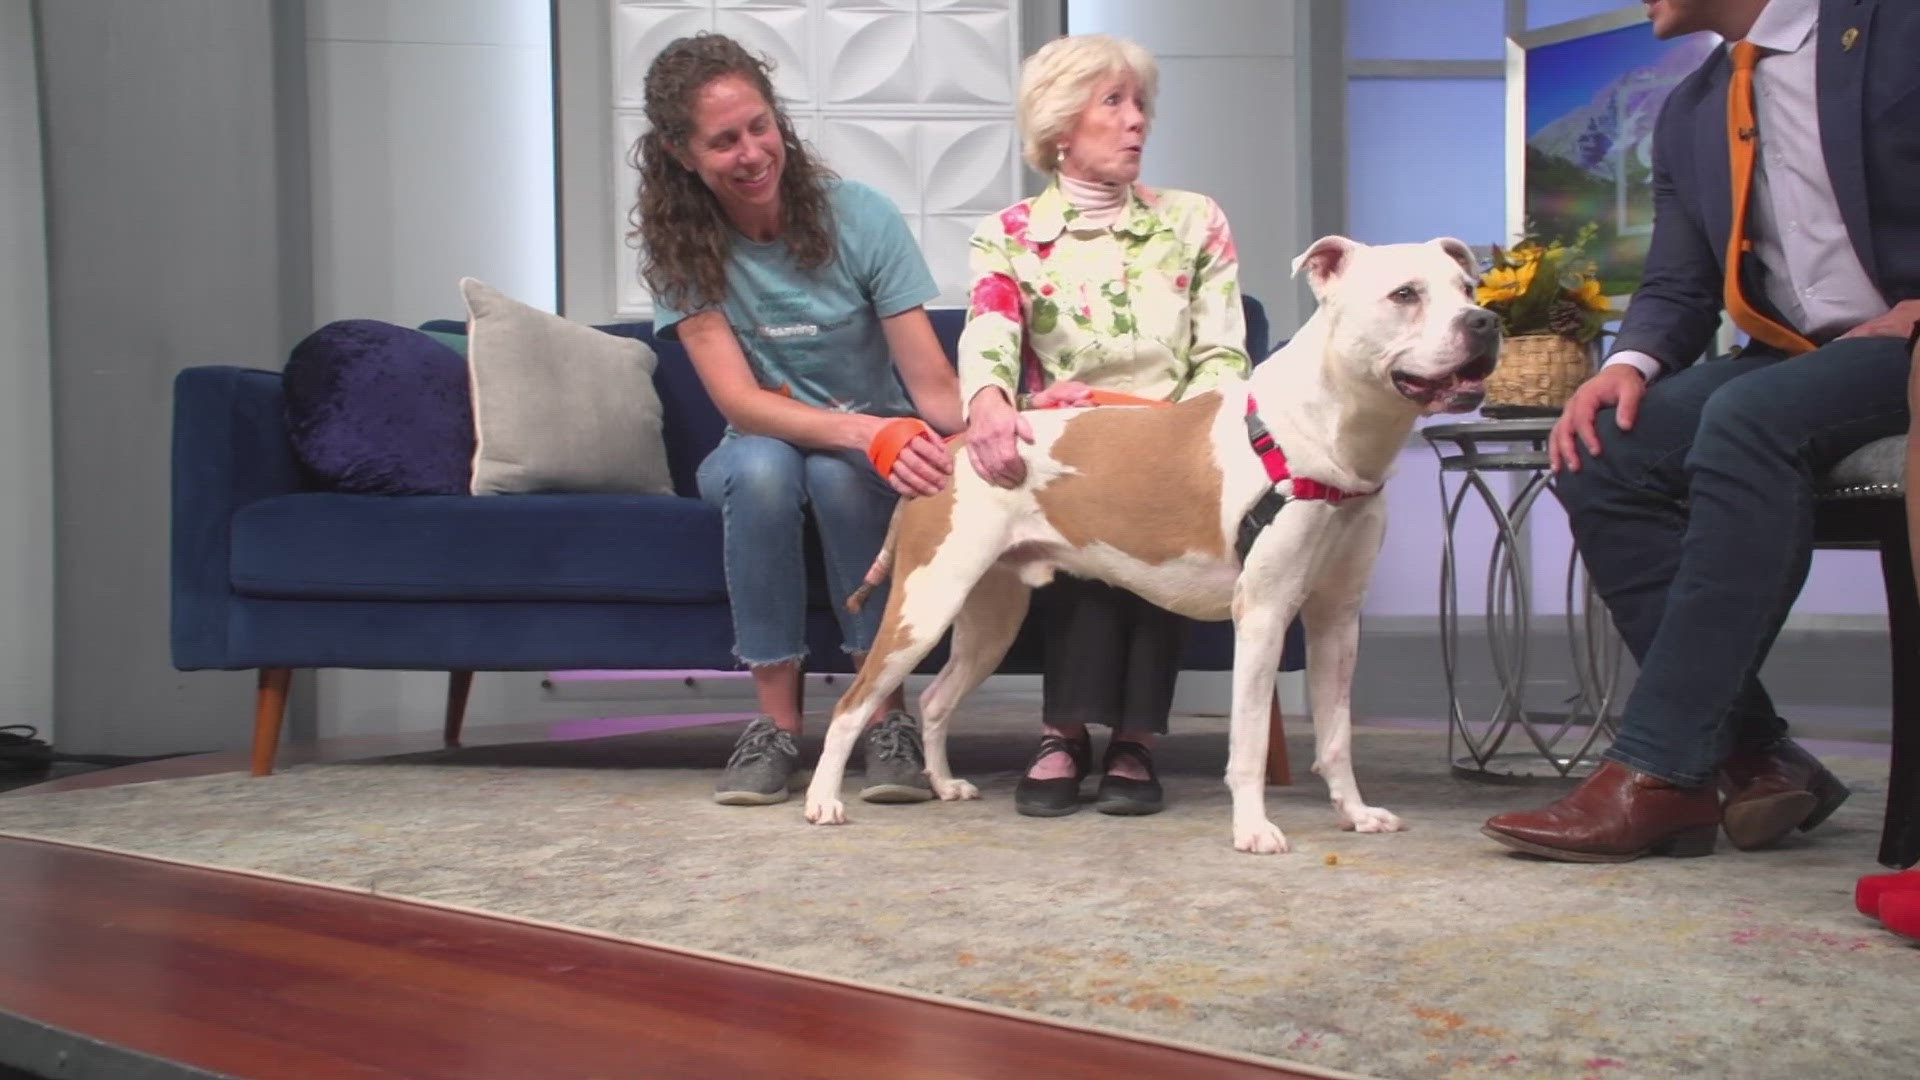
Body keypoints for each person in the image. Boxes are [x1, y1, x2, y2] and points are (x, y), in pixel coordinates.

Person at [1483, 0, 1920, 862]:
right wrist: (1625, 367)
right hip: (1797, 360)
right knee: (1606, 444)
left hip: (1908, 344)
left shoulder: (1899, 25)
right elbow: (1679, 285)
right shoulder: (1691, 112)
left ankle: (1658, 769)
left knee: (1745, 418)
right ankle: (1752, 753)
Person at [631, 33, 964, 806]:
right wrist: (865, 431)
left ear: (778, 120)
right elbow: (741, 404)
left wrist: (997, 416)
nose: (751, 153)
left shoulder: (863, 219)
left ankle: (885, 718)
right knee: (768, 465)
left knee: (837, 476)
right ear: (683, 154)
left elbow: (932, 384)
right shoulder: (681, 248)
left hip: (859, 457)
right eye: (723, 141)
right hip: (755, 449)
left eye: (758, 126)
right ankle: (776, 730)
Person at [957, 33, 1251, 818]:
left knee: (1158, 495)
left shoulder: (1195, 222)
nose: (1136, 121)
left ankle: (1133, 741)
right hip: (1071, 452)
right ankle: (1065, 733)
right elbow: (988, 339)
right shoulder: (1009, 233)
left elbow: (1224, 353)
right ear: (1060, 125)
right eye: (1113, 102)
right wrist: (990, 403)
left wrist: (1177, 432)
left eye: (1140, 103)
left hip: (1182, 440)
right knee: (1079, 497)